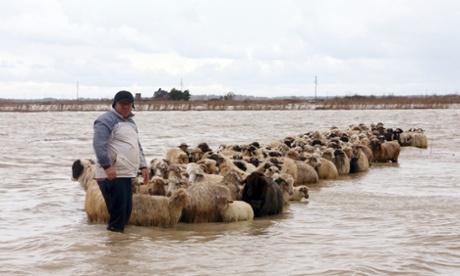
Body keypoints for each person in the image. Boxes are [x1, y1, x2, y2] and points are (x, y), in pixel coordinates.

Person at [93, 90, 149, 233]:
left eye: (129, 104)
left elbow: (137, 145)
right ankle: (113, 248)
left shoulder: (130, 122)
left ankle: (120, 249)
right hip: (111, 174)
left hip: (126, 173)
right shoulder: (106, 120)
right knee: (118, 216)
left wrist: (143, 166)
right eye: (122, 103)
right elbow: (99, 145)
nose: (125, 107)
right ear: (115, 104)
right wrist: (107, 167)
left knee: (125, 213)